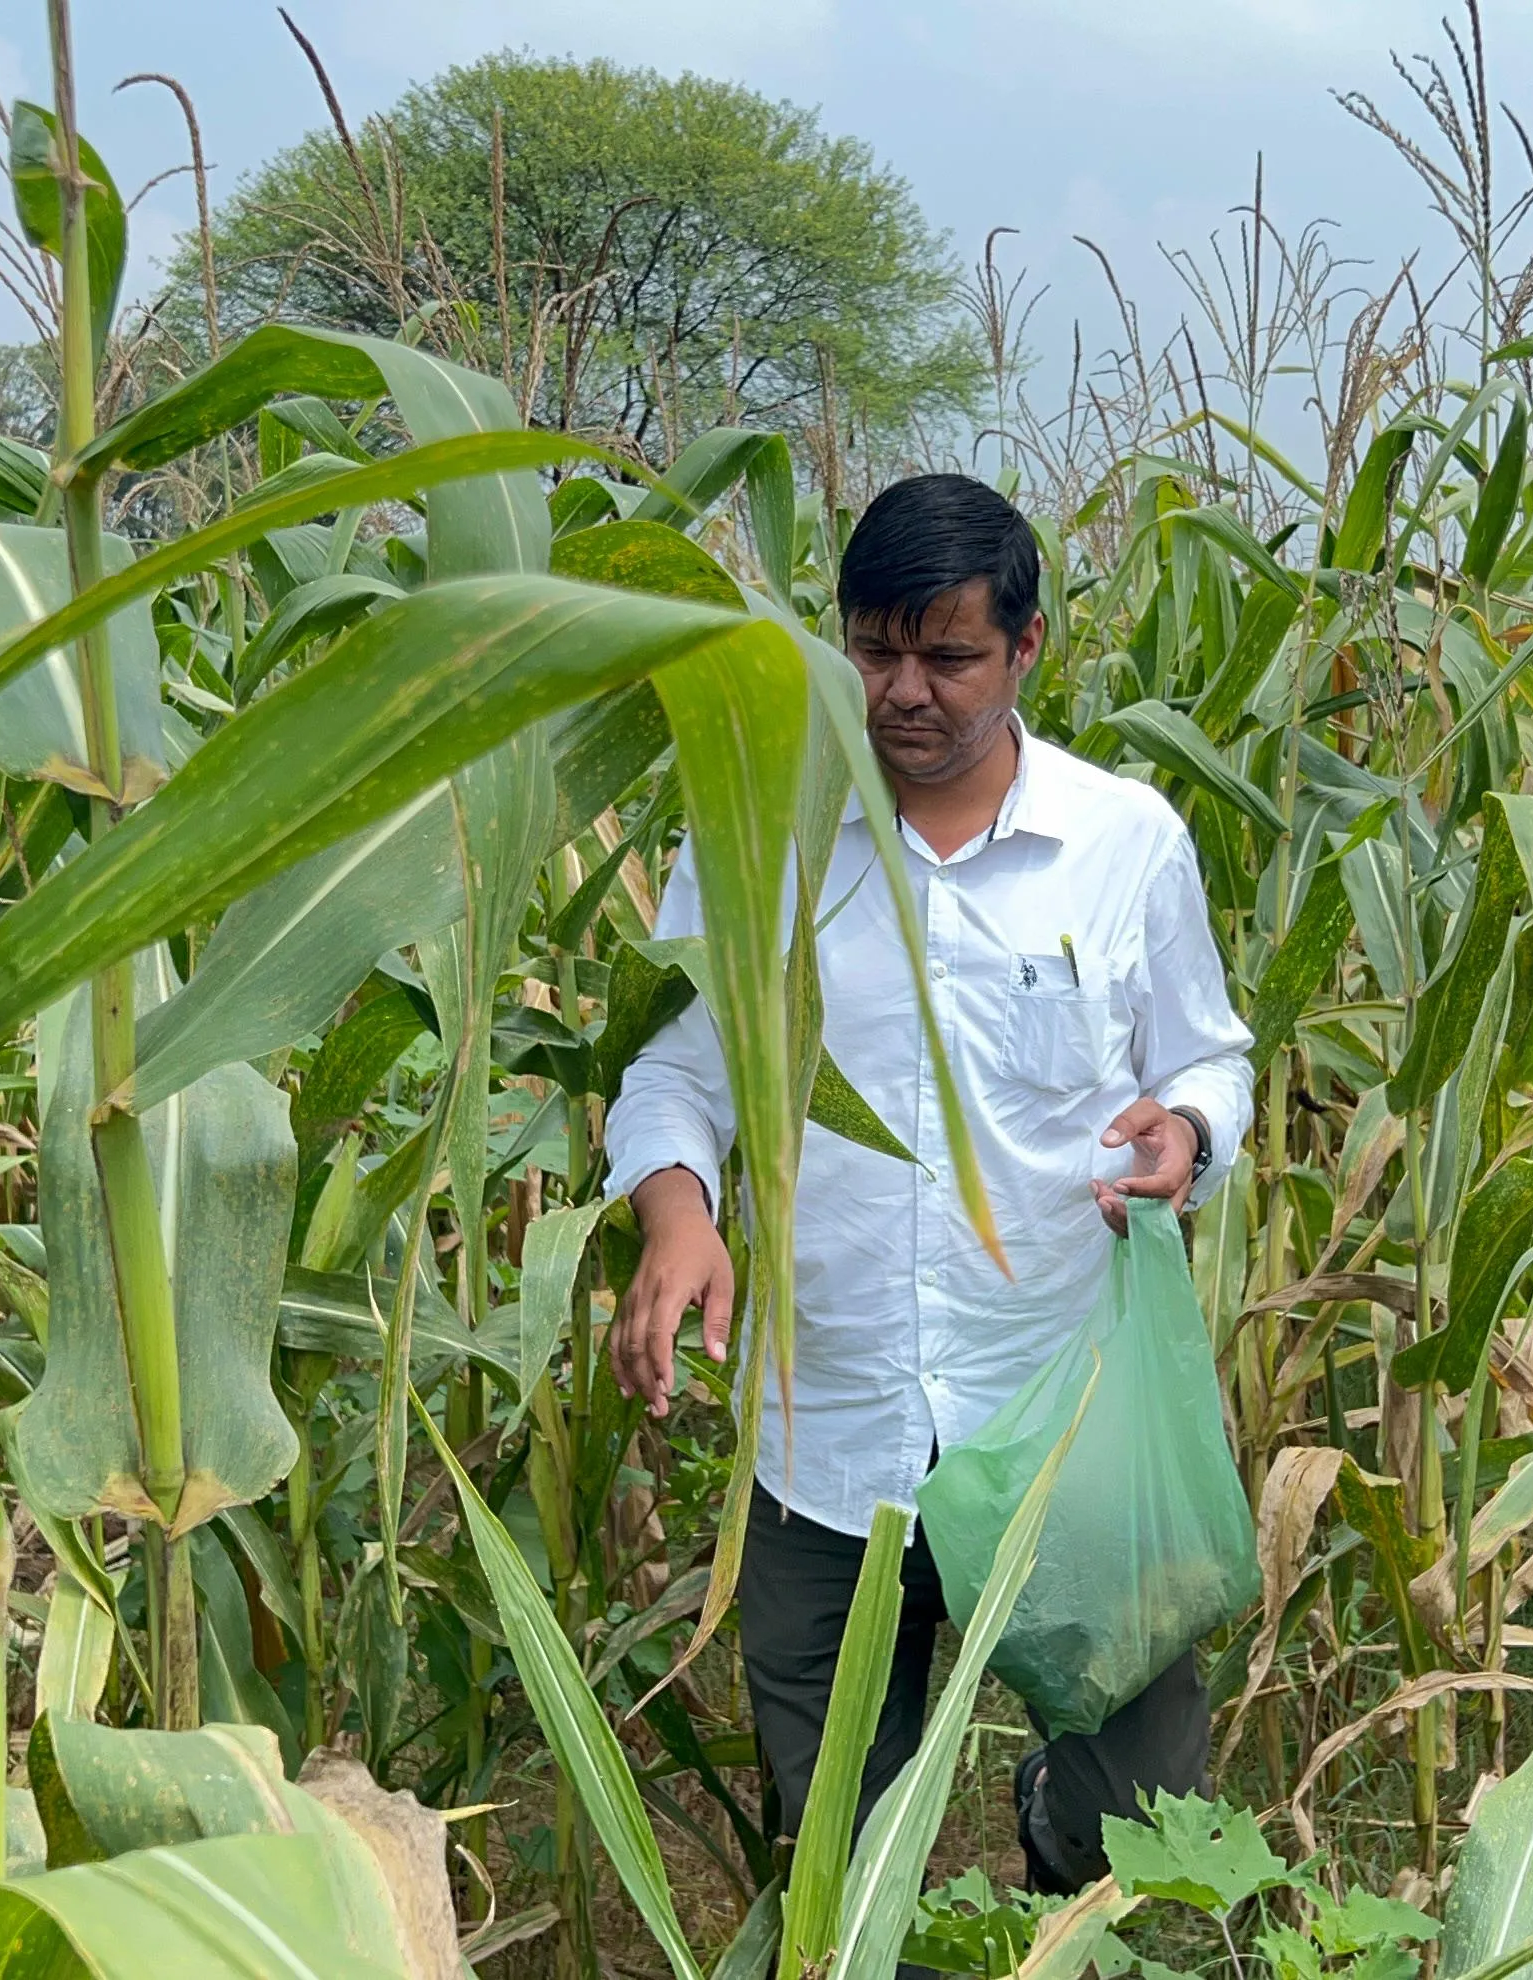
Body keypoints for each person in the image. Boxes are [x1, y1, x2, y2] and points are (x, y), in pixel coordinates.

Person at [603, 471, 1255, 1894]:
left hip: (1061, 1422)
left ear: (1026, 650)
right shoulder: (758, 828)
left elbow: (1210, 1057)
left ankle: (1045, 1834)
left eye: (949, 657)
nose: (906, 691)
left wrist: (1188, 1134)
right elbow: (677, 1069)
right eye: (875, 649)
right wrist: (677, 1213)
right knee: (838, 1854)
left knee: (1131, 1828)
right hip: (826, 1426)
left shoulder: (1120, 840)